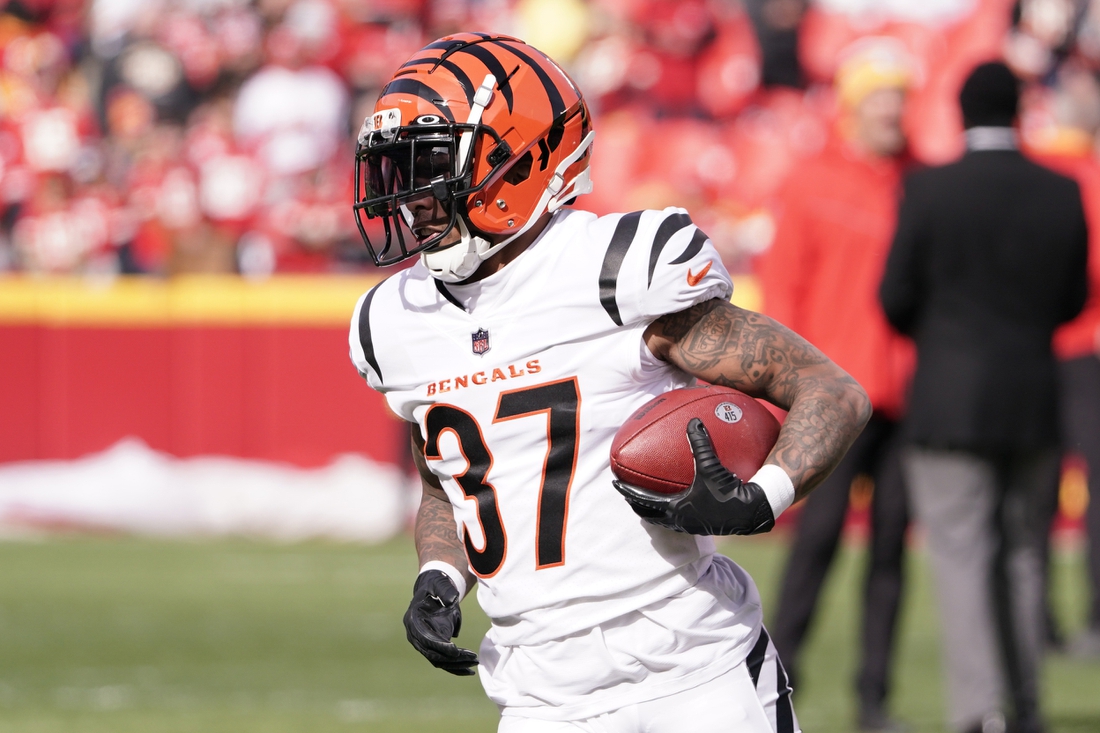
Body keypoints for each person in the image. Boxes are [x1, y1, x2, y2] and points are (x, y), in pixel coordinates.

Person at [348, 32, 870, 732]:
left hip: (695, 671)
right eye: (397, 169)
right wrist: (440, 575)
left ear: (519, 154)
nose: (412, 198)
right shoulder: (395, 320)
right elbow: (448, 478)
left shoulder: (615, 268)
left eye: (433, 163)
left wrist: (761, 498)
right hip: (541, 696)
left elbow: (831, 390)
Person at [879, 61, 1089, 733]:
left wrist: (944, 338)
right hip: (1031, 394)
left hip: (948, 396)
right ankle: (1026, 705)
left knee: (962, 554)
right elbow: (1071, 300)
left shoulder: (929, 189)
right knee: (1025, 553)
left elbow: (894, 298)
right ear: (1021, 109)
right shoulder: (1059, 190)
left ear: (962, 111)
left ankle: (980, 710)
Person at [757, 39, 914, 733]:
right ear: (854, 101)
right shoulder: (811, 181)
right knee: (813, 544)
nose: (894, 109)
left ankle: (873, 699)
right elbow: (784, 293)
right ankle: (775, 682)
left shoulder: (918, 179)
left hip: (907, 398)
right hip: (829, 399)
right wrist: (781, 395)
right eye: (882, 95)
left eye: (901, 96)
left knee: (889, 554)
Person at [1023, 64, 1100, 660]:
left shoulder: (1040, 167)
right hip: (1076, 348)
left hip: (1045, 345)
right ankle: (1067, 619)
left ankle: (1041, 617)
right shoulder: (1074, 172)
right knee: (1063, 489)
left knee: (1039, 490)